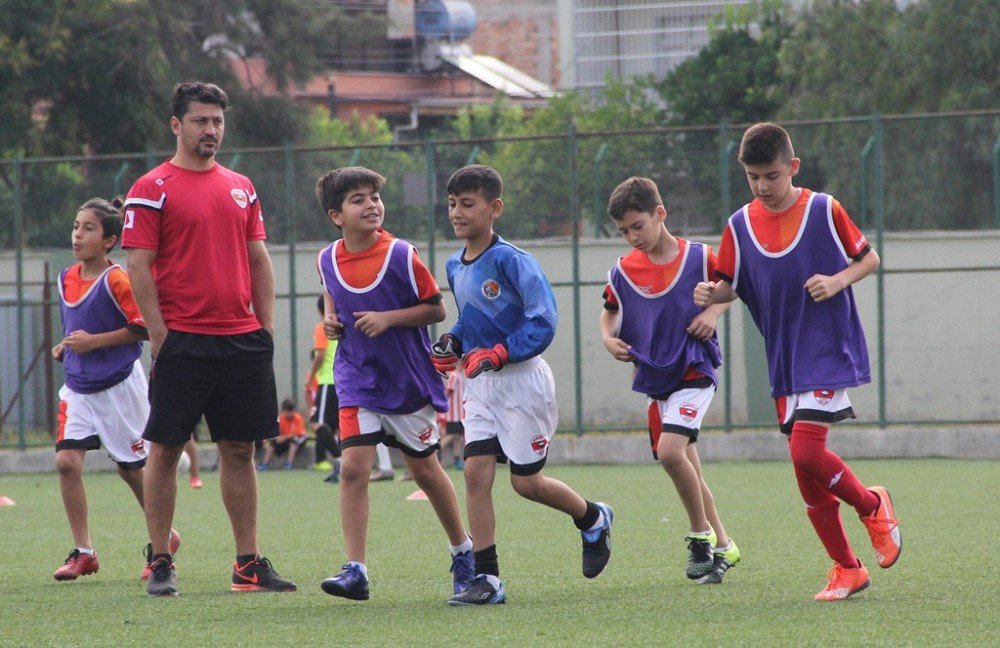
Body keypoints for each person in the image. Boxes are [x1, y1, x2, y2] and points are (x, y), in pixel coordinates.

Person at [694, 122, 901, 601]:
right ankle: (848, 568)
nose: (763, 186)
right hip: (783, 359)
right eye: (752, 177)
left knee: (808, 453)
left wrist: (837, 280)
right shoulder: (739, 225)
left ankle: (872, 505)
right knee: (804, 473)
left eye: (771, 175)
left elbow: (868, 259)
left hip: (826, 348)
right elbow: (730, 283)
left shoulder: (824, 209)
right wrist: (711, 292)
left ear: (793, 167)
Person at [122, 81, 295, 597]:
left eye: (217, 121)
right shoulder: (151, 187)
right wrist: (159, 332)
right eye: (200, 121)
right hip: (184, 342)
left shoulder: (241, 184)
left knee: (239, 449)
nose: (211, 130)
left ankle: (247, 563)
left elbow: (258, 258)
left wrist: (264, 326)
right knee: (166, 449)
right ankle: (160, 562)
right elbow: (138, 264)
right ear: (177, 125)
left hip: (242, 340)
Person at [432, 164, 613, 606]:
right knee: (475, 473)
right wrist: (454, 340)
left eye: (467, 204)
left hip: (522, 383)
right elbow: (469, 318)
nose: (457, 213)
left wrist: (500, 352)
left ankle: (593, 517)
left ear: (495, 208)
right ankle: (488, 580)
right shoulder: (455, 264)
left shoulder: (513, 261)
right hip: (481, 386)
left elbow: (543, 320)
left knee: (526, 484)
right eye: (452, 204)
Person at [314, 166, 473, 602]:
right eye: (358, 199)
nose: (371, 205)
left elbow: (436, 309)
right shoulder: (326, 258)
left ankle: (463, 551)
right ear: (336, 215)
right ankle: (356, 570)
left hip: (405, 379)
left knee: (424, 470)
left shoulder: (401, 254)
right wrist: (329, 318)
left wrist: (389, 319)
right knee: (353, 469)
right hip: (356, 377)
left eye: (374, 197)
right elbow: (333, 292)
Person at [600, 177, 739, 584]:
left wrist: (711, 313)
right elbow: (610, 311)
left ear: (660, 214)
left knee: (671, 451)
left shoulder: (699, 257)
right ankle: (724, 545)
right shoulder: (623, 271)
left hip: (695, 370)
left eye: (637, 226)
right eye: (623, 231)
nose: (631, 236)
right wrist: (608, 339)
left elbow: (731, 290)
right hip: (653, 375)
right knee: (685, 464)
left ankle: (699, 535)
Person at [51, 197, 181, 582]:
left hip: (119, 388)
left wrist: (94, 342)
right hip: (77, 389)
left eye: (88, 228)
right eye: (76, 226)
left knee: (133, 471)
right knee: (65, 463)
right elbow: (77, 329)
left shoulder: (118, 279)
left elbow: (141, 329)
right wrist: (67, 346)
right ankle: (85, 552)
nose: (78, 234)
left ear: (109, 240)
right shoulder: (65, 278)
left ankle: (164, 538)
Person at [306, 295, 342, 482]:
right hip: (342, 380)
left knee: (316, 423)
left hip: (328, 381)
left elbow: (319, 356)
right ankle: (341, 466)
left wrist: (310, 377)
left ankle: (341, 460)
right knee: (337, 428)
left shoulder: (323, 327)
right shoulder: (341, 325)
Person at [259, 399, 308, 469]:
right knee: (273, 443)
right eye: (288, 411)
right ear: (284, 411)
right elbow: (277, 431)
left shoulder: (298, 418)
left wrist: (284, 438)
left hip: (299, 440)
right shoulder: (281, 418)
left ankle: (289, 464)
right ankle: (264, 464)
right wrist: (274, 438)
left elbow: (297, 433)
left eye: (291, 411)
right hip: (285, 439)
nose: (290, 413)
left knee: (293, 442)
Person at [438, 370, 466, 470]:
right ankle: (437, 450)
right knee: (452, 434)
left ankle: (457, 460)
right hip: (453, 413)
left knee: (457, 437)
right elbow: (448, 392)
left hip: (460, 413)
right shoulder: (454, 375)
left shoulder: (464, 375)